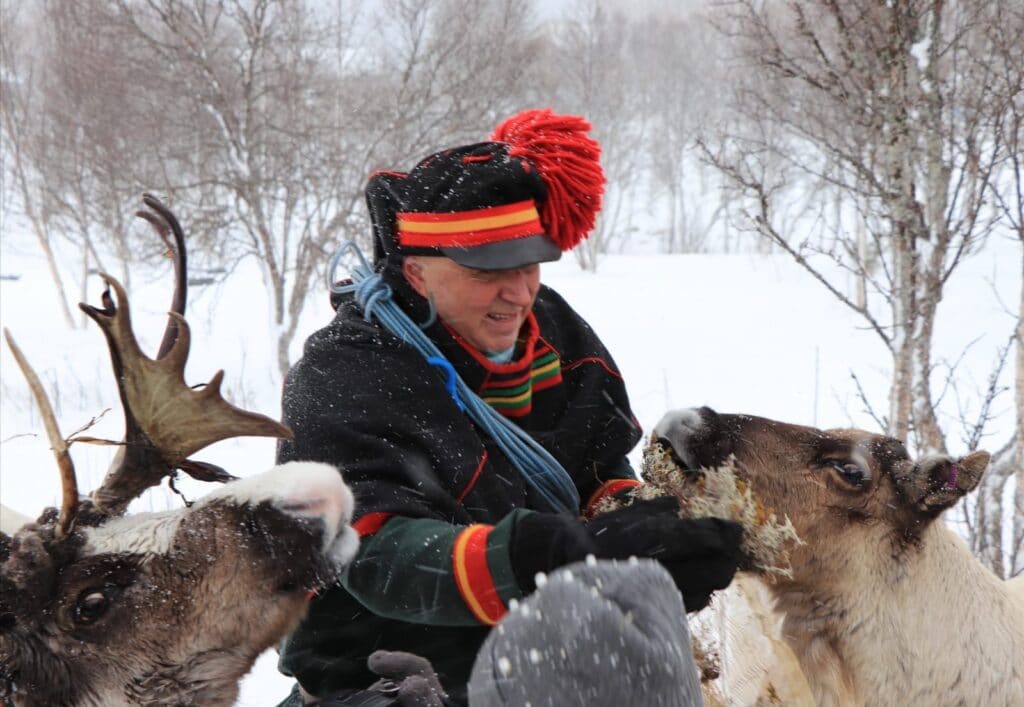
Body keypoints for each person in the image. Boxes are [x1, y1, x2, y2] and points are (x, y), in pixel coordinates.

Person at [275, 109, 742, 706]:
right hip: (377, 672)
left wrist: (636, 525)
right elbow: (375, 557)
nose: (518, 294)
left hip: (551, 654)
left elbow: (596, 466)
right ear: (416, 273)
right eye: (487, 271)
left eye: (528, 266)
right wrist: (551, 556)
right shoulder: (346, 374)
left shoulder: (554, 334)